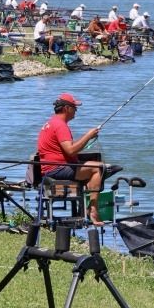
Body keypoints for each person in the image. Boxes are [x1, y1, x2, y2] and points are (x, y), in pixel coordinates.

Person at [37, 93, 110, 226]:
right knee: (98, 168)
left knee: (97, 166)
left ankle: (88, 207)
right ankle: (92, 209)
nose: (76, 110)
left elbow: (66, 150)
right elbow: (70, 150)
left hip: (53, 168)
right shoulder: (60, 125)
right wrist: (88, 135)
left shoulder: (51, 123)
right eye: (74, 107)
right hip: (56, 169)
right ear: (66, 108)